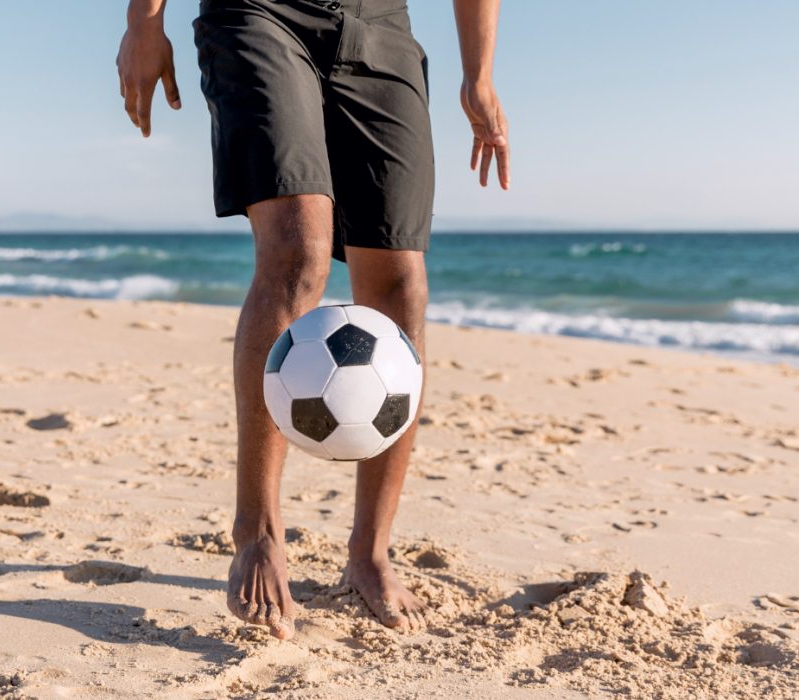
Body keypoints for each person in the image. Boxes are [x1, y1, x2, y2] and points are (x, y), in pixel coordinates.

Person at [117, 0, 509, 641]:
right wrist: (144, 20)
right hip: (258, 11)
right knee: (298, 251)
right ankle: (257, 532)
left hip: (380, 26)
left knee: (401, 284)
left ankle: (370, 551)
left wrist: (479, 74)